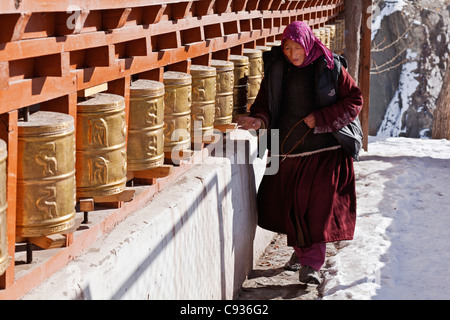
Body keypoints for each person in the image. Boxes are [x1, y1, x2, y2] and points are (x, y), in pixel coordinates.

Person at [237, 21, 363, 285]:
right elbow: (265, 104)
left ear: (308, 44)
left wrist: (321, 117)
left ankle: (311, 264)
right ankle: (302, 253)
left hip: (325, 150)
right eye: (287, 47)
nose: (293, 54)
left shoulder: (330, 67)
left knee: (316, 209)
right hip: (288, 151)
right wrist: (259, 120)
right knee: (293, 208)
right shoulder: (277, 68)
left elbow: (354, 101)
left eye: (297, 48)